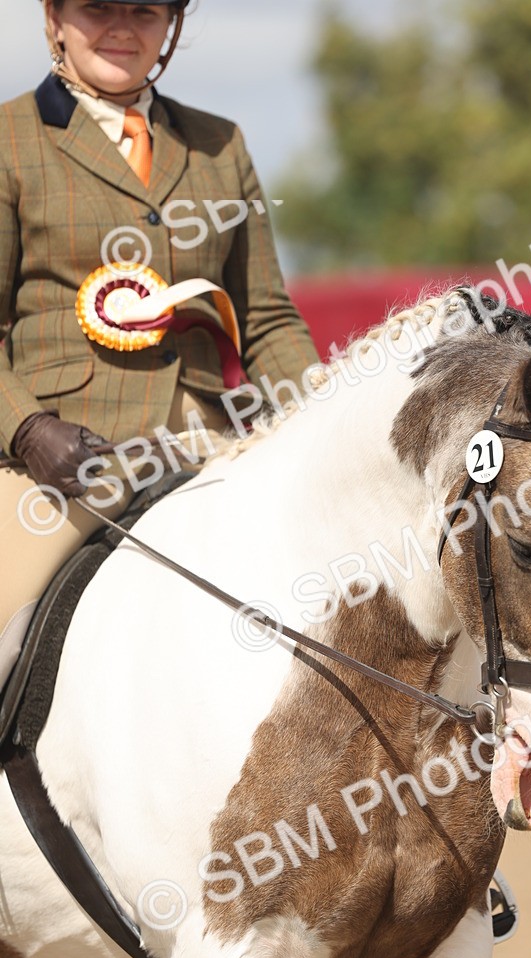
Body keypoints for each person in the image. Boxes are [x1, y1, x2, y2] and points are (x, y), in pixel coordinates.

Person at [0, 0, 320, 693]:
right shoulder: (8, 140)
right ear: (53, 18)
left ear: (170, 26)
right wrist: (28, 429)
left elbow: (265, 317)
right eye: (97, 8)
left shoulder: (219, 144)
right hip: (64, 457)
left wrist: (326, 414)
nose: (122, 27)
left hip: (210, 444)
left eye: (144, 11)